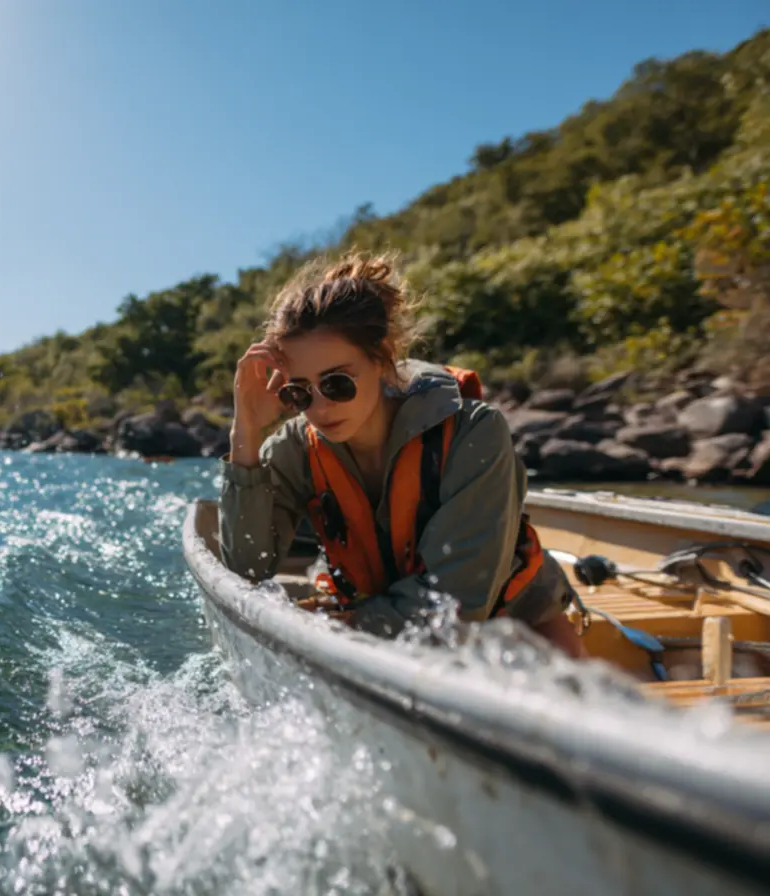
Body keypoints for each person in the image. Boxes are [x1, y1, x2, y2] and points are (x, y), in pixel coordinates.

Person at [219, 251, 585, 656]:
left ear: (382, 359)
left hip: (511, 625)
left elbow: (457, 606)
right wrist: (246, 432)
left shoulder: (474, 432)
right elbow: (245, 571)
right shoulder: (295, 447)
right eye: (299, 391)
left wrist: (341, 628)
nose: (320, 409)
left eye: (338, 383)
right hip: (377, 625)